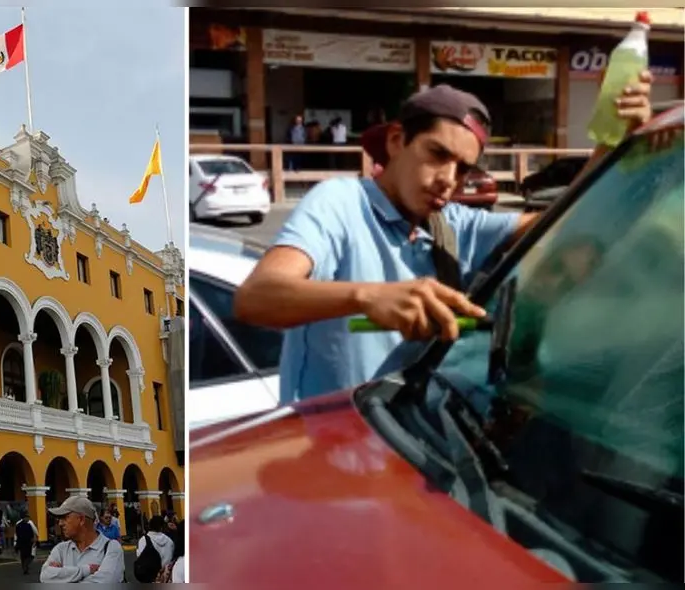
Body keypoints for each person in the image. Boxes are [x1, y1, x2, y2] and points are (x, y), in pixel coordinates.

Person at [234, 74, 655, 406]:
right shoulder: (340, 202)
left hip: (407, 441)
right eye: (437, 155)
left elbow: (567, 220)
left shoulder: (452, 225)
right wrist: (368, 296)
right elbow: (256, 297)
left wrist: (618, 144)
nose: (448, 180)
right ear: (396, 141)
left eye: (463, 168)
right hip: (324, 449)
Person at [40, 496, 124, 584]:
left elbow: (105, 583)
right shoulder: (61, 549)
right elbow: (45, 576)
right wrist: (85, 570)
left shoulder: (111, 548)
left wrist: (62, 577)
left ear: (81, 519)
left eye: (65, 517)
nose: (60, 523)